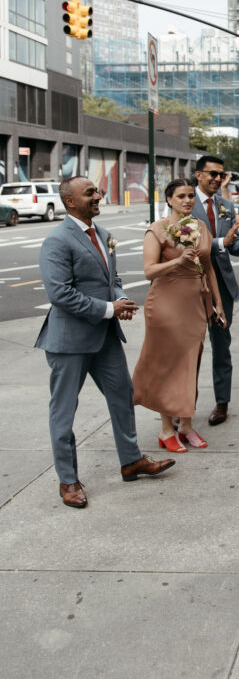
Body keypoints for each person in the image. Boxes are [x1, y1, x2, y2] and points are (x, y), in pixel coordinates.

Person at [35, 177, 175, 508]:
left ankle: (131, 461)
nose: (98, 196)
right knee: (64, 411)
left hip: (106, 337)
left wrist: (121, 298)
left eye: (97, 191)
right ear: (70, 202)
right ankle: (68, 480)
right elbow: (60, 294)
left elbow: (113, 280)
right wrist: (109, 308)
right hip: (69, 340)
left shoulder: (104, 235)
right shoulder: (57, 241)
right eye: (90, 193)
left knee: (123, 396)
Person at [133, 179, 235, 452]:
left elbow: (209, 268)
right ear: (169, 199)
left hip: (195, 304)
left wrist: (218, 304)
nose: (188, 200)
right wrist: (178, 260)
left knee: (191, 365)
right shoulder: (157, 230)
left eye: (191, 195)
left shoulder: (201, 227)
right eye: (181, 196)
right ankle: (167, 428)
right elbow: (149, 271)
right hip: (165, 303)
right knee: (166, 366)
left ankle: (186, 425)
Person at [193, 154, 239, 426]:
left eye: (221, 174)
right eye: (212, 174)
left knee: (221, 346)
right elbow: (182, 246)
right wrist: (221, 242)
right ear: (198, 175)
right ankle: (184, 403)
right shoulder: (184, 201)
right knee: (189, 348)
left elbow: (234, 245)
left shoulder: (226, 205)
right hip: (191, 286)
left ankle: (222, 403)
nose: (217, 179)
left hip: (222, 289)